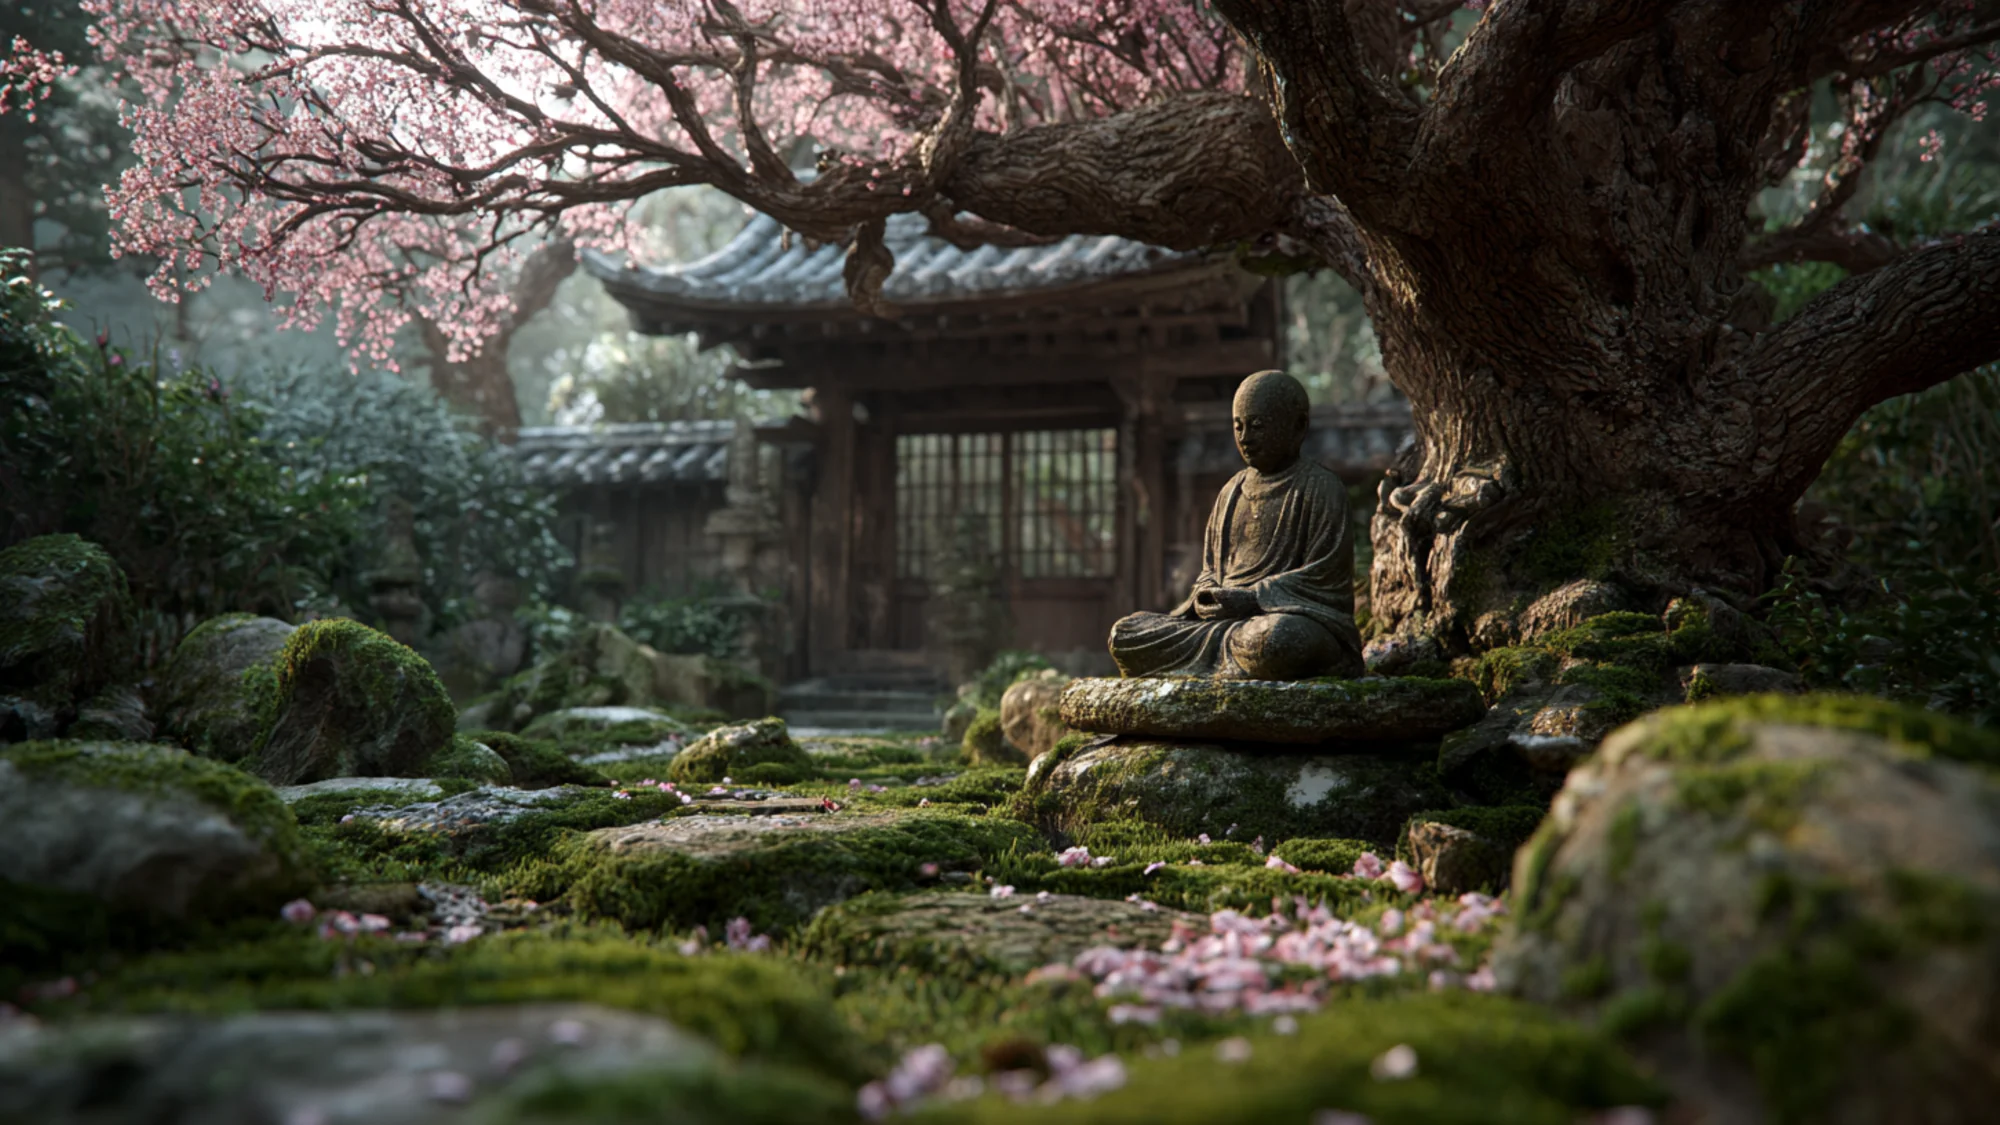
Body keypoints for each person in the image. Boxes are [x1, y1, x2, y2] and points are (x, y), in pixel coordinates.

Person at [1108, 370, 1364, 680]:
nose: (1245, 438)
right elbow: (1211, 570)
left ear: (1298, 426)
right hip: (1224, 626)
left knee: (1278, 639)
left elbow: (1324, 578)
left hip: (1281, 620)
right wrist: (1206, 595)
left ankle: (1221, 660)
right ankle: (1220, 662)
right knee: (1126, 633)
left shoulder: (1320, 487)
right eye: (1238, 426)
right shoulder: (1231, 491)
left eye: (1257, 426)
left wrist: (1253, 598)